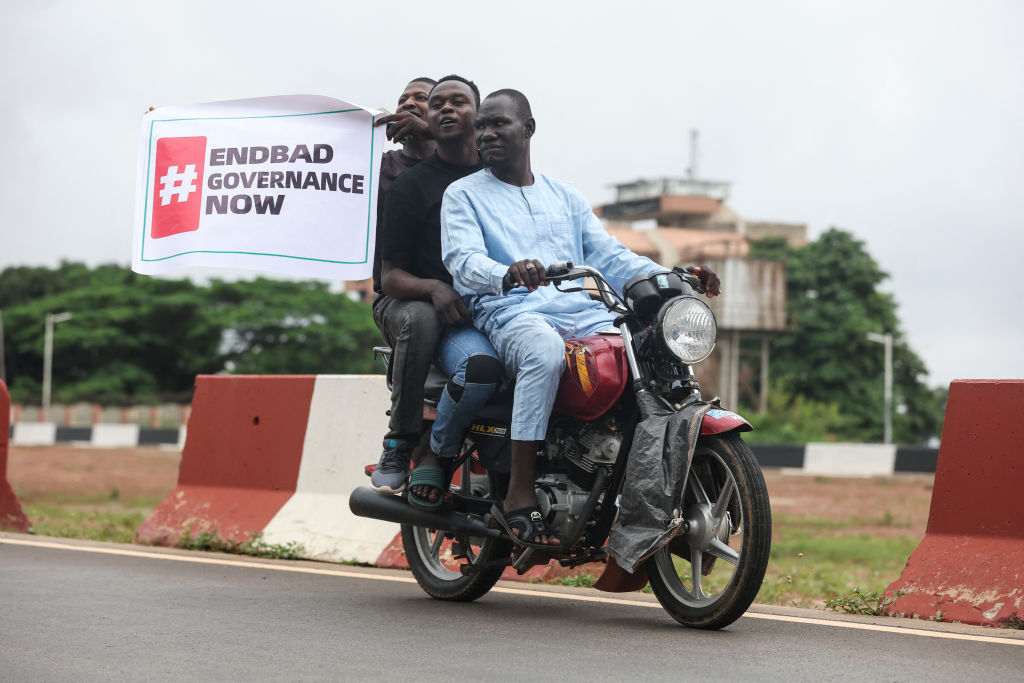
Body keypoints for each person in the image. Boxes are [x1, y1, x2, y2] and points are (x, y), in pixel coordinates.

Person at [441, 89, 721, 546]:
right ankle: (518, 490)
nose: (487, 133)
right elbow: (463, 260)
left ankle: (622, 475)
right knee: (545, 352)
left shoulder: (564, 195)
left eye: (499, 124)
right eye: (482, 126)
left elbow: (609, 255)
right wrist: (507, 273)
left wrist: (671, 275)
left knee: (647, 348)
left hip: (586, 310)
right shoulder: (464, 195)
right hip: (510, 311)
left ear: (528, 129)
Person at [370, 75, 503, 508]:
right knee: (424, 316)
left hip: (483, 302)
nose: (439, 109)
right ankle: (402, 440)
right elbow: (390, 277)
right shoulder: (397, 176)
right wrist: (434, 288)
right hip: (408, 300)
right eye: (434, 104)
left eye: (453, 102)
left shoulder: (497, 175)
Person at [369, 77, 438, 296]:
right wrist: (364, 132)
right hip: (396, 295)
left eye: (421, 98)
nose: (408, 103)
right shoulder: (376, 167)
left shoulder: (463, 166)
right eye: (403, 99)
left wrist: (431, 131)